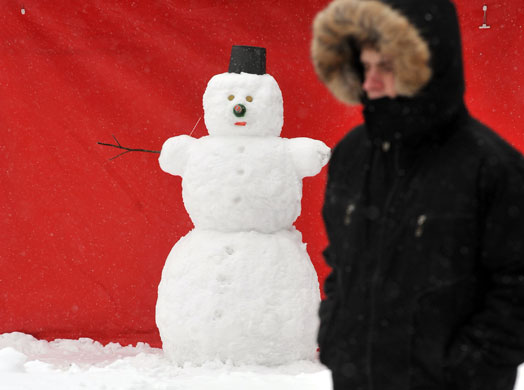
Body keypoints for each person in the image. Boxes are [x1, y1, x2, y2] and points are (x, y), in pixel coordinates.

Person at [310, 0, 524, 389]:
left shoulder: (492, 167)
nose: (370, 83)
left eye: (386, 67)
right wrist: (337, 334)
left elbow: (517, 291)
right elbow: (342, 262)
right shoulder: (351, 155)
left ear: (427, 67)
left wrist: (466, 370)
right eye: (364, 67)